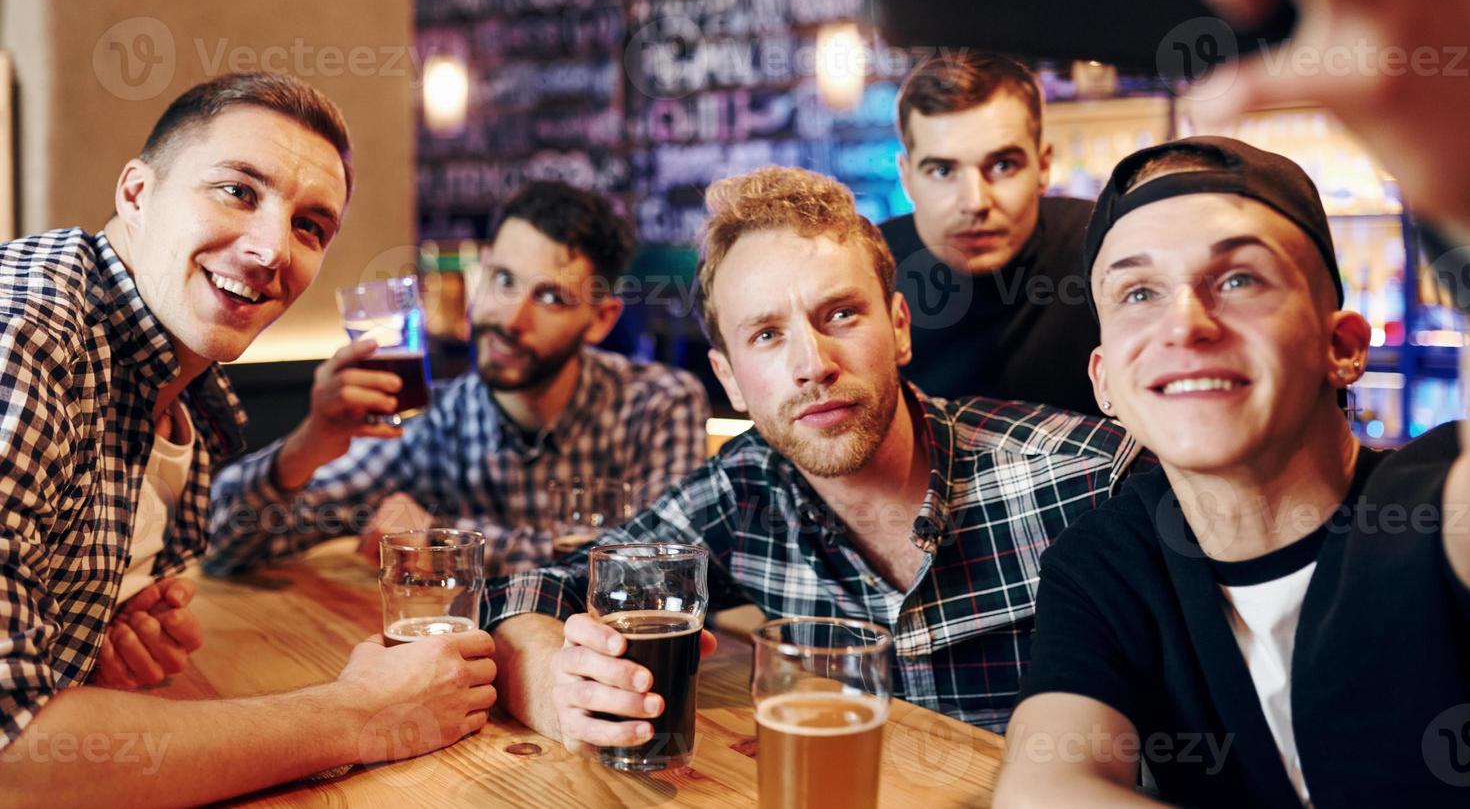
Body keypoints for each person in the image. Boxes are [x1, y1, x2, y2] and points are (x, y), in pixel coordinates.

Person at [482, 165, 1143, 752]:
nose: (812, 366)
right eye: (767, 335)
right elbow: (536, 590)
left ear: (900, 327)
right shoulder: (745, 492)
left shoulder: (1088, 479)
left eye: (841, 315)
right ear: (731, 379)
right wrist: (551, 682)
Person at [0, 72, 496, 803]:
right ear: (137, 193)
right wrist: (359, 713)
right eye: (237, 190)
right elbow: (11, 758)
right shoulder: (27, 338)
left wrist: (83, 648)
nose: (271, 250)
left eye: (310, 226)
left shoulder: (188, 394)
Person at [996, 137, 1469, 807]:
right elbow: (1045, 789)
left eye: (1239, 279)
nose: (1185, 325)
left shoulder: (1433, 503)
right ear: (1105, 382)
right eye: (1138, 292)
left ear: (1342, 347)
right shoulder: (1112, 561)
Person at [205, 180, 710, 575]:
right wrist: (311, 442)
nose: (511, 320)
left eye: (551, 298)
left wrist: (445, 542)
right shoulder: (442, 421)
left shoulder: (660, 405)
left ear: (601, 319)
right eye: (504, 282)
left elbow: (660, 570)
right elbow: (220, 539)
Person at [881, 52, 1101, 415]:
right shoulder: (872, 273)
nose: (975, 202)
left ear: (1043, 166)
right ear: (907, 178)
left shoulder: (1101, 249)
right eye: (941, 171)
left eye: (1002, 166)